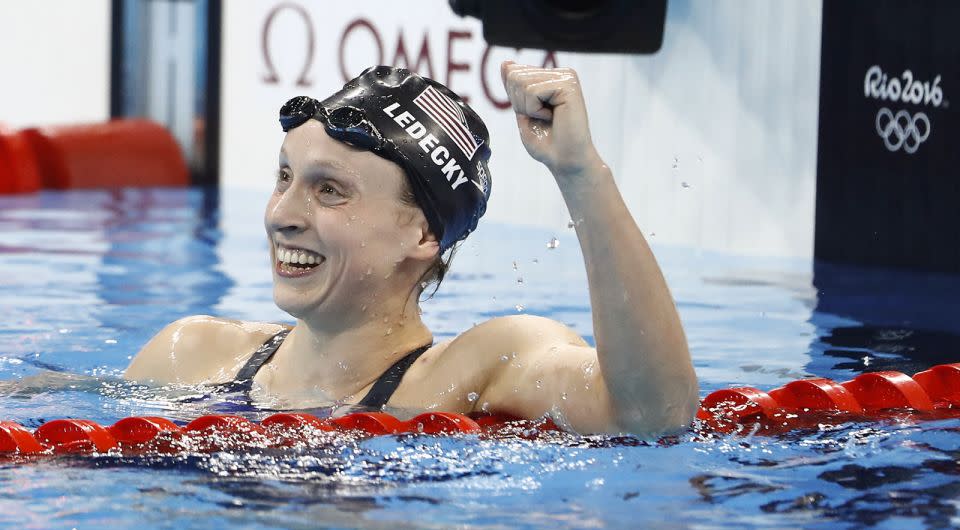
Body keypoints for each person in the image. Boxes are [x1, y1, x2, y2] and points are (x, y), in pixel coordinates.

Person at [124, 62, 699, 435]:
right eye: (283, 178)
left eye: (329, 190)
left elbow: (654, 415)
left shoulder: (478, 368)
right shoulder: (191, 353)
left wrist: (581, 174)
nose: (282, 215)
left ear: (423, 235)